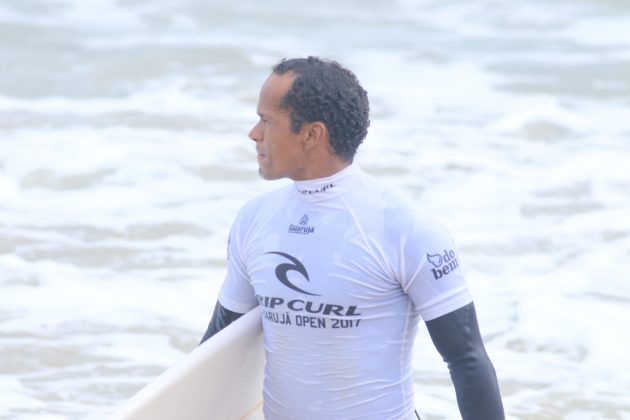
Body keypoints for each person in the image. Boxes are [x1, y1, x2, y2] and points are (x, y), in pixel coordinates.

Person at [201, 56, 504, 420]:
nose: (254, 133)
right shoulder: (256, 220)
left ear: (311, 134)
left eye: (266, 121)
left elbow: (466, 359)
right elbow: (213, 354)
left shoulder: (405, 228)